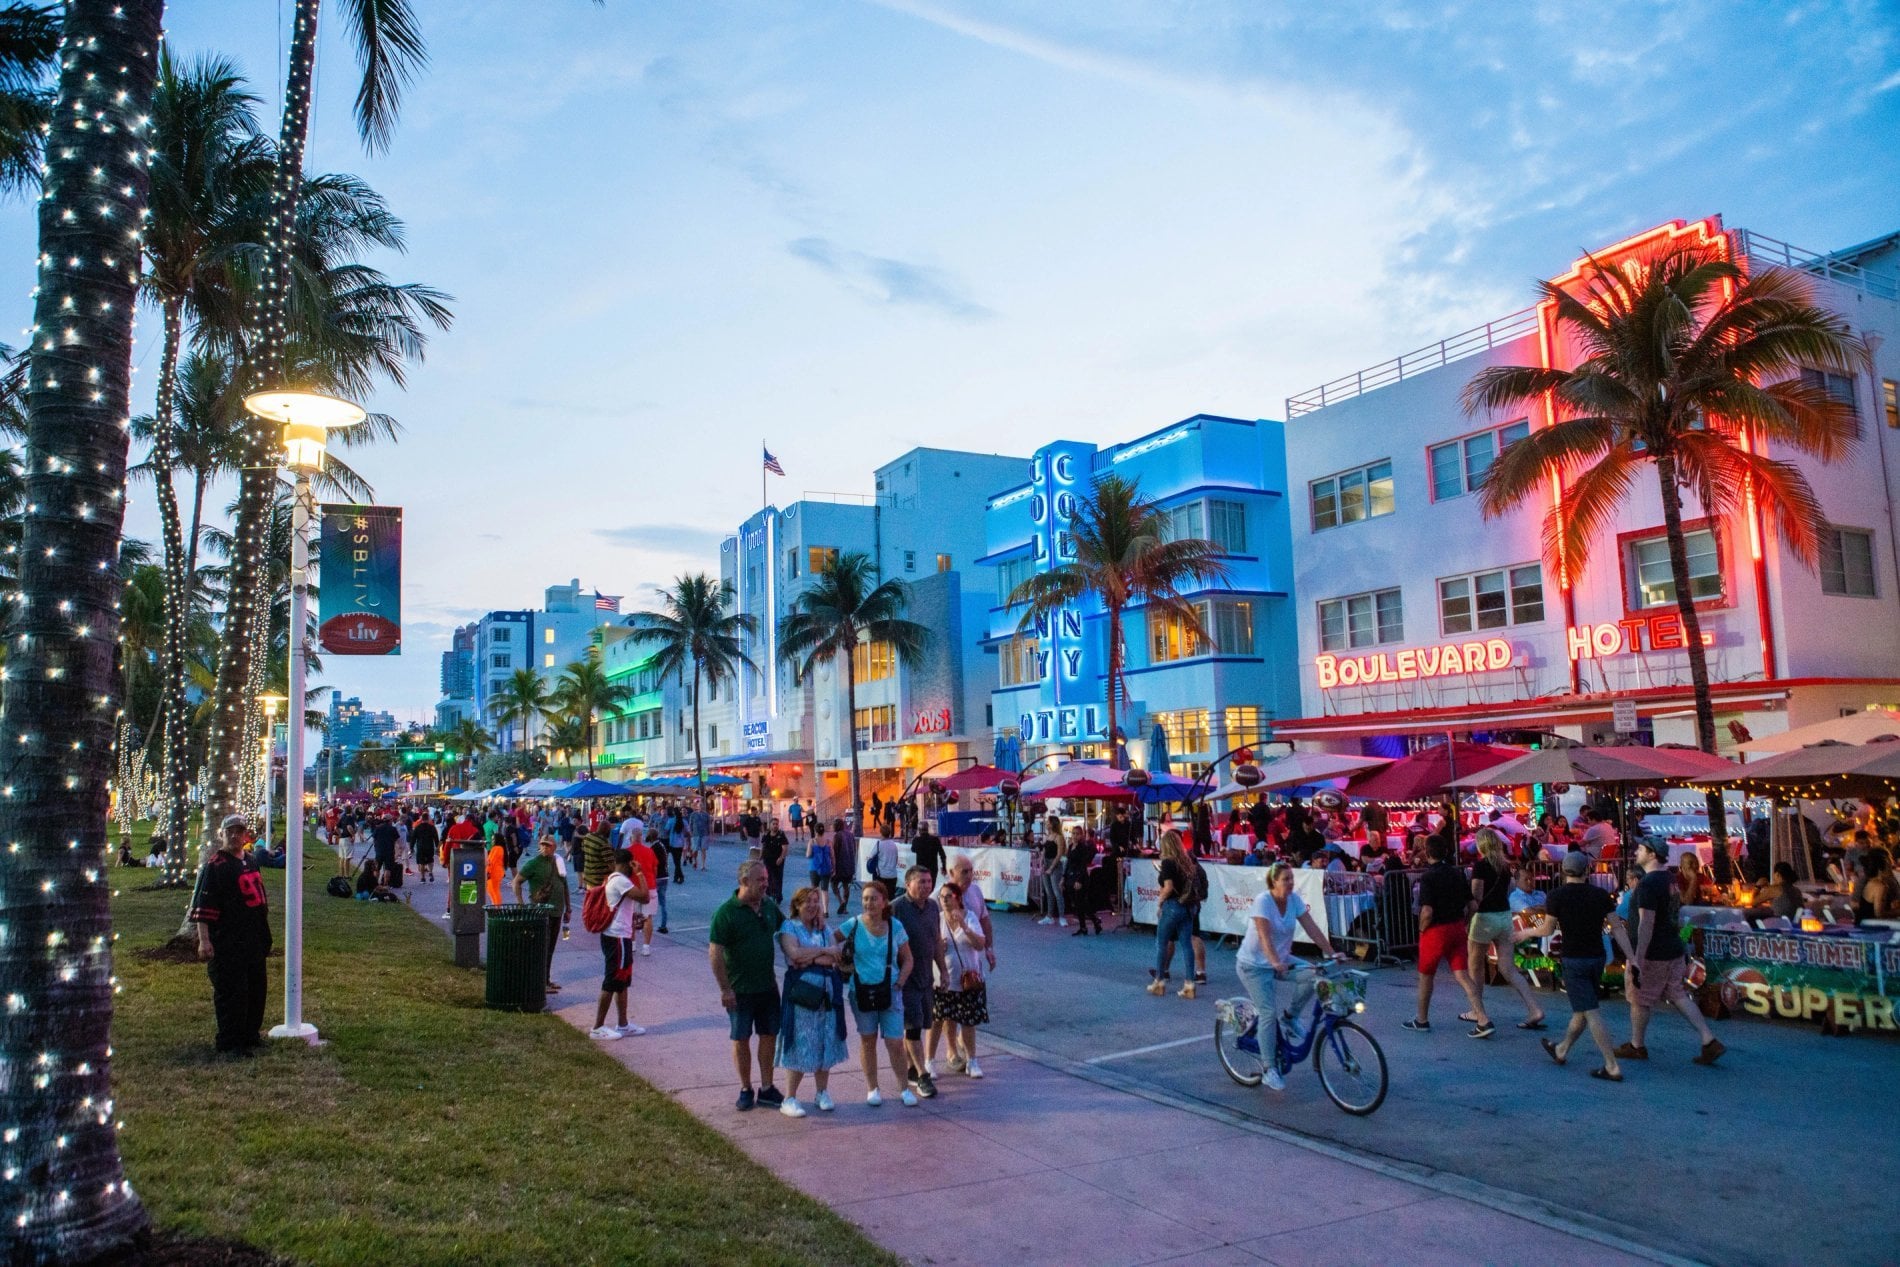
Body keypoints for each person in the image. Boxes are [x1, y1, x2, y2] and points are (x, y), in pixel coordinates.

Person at [1235, 861, 1344, 1091]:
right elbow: (1264, 937)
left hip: (1281, 960)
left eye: (1292, 878)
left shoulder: (1293, 900)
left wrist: (1332, 952)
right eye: (1285, 879)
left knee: (1315, 975)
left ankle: (1290, 1016)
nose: (1290, 883)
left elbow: (1312, 928)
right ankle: (1268, 1068)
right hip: (1253, 965)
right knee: (1267, 1012)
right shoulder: (1264, 902)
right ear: (1274, 881)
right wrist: (1274, 961)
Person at [1514, 851, 1622, 1081]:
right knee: (1582, 1010)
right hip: (1596, 956)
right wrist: (1632, 956)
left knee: (1591, 1012)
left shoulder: (1556, 896)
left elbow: (1546, 929)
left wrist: (1525, 932)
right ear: (1587, 870)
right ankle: (1561, 1049)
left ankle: (1611, 1064)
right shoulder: (1601, 895)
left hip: (1574, 957)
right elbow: (1617, 928)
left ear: (1563, 871)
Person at [1615, 839, 1724, 1066]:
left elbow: (1646, 924)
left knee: (1639, 998)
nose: (1636, 851)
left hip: (1654, 951)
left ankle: (1637, 1045)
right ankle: (1708, 1038)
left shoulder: (1648, 884)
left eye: (1641, 849)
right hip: (1673, 946)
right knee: (1677, 994)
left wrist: (1638, 959)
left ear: (1652, 854)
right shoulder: (1670, 879)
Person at [190, 815, 272, 1055]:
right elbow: (203, 907)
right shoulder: (215, 866)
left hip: (254, 940)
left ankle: (249, 1035)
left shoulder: (251, 860)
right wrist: (204, 941)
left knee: (256, 991)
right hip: (228, 942)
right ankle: (230, 1041)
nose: (235, 836)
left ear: (246, 834)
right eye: (230, 832)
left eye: (239, 831)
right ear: (222, 835)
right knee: (233, 994)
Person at [709, 860, 787, 1111]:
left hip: (767, 986)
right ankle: (746, 1088)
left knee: (768, 1036)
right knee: (741, 1038)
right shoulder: (726, 913)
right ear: (744, 882)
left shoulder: (769, 907)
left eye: (766, 879)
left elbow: (787, 929)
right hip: (739, 990)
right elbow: (715, 953)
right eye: (760, 880)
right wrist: (725, 989)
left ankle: (767, 1087)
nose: (766, 884)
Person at [837, 882, 916, 1106]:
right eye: (865, 899)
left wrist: (900, 982)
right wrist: (841, 964)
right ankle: (872, 1088)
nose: (869, 903)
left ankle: (903, 1087)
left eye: (874, 898)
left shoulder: (895, 926)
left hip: (890, 991)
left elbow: (908, 959)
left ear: (884, 901)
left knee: (895, 1043)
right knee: (868, 1040)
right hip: (861, 991)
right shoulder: (853, 924)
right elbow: (831, 940)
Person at [1402, 836, 1488, 1035]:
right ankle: (1483, 1018)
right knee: (1463, 975)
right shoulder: (1457, 873)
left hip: (1436, 931)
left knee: (1426, 976)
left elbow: (1427, 911)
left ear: (1428, 852)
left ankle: (1421, 1019)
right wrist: (1465, 922)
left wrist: (1422, 929)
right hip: (1457, 927)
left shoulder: (1428, 877)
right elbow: (1473, 904)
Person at [775, 885, 847, 1117]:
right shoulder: (789, 926)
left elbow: (835, 958)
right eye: (808, 901)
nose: (814, 905)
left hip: (827, 993)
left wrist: (812, 955)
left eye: (816, 901)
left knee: (824, 1040)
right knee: (800, 1040)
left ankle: (821, 1092)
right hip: (802, 993)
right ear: (797, 904)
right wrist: (821, 952)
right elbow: (794, 955)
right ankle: (790, 1097)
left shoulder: (824, 928)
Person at [1466, 829, 1546, 1034]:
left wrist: (1467, 918)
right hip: (1504, 916)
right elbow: (1507, 891)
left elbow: (1476, 895)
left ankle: (1478, 1012)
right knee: (1508, 968)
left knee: (1475, 966)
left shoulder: (1481, 866)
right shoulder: (1504, 866)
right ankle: (1534, 1009)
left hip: (1485, 918)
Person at [890, 866, 945, 1100]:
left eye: (929, 881)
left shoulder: (933, 907)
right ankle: (923, 1075)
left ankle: (911, 1069)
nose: (925, 886)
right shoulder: (896, 908)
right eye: (920, 882)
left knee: (921, 1024)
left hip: (926, 978)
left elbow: (935, 941)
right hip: (905, 980)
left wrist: (943, 970)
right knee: (911, 1027)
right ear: (908, 883)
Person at [932, 878, 990, 1080]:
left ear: (958, 899)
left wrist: (964, 926)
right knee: (940, 1019)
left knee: (968, 1021)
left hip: (968, 980)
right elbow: (927, 948)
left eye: (950, 896)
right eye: (942, 897)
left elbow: (980, 944)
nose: (946, 900)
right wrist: (938, 946)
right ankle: (932, 1061)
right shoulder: (937, 919)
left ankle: (972, 1060)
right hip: (943, 979)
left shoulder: (970, 917)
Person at [589, 849, 649, 1039]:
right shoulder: (620, 880)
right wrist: (640, 873)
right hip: (617, 937)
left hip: (618, 935)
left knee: (622, 981)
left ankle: (623, 1023)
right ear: (628, 863)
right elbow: (645, 897)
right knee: (612, 981)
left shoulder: (612, 879)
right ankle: (597, 1027)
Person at [515, 835, 571, 996]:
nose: (545, 848)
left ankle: (546, 980)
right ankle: (538, 981)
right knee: (541, 947)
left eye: (548, 845)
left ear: (554, 847)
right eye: (543, 845)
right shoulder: (533, 863)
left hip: (557, 911)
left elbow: (564, 884)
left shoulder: (558, 862)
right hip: (540, 912)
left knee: (550, 948)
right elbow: (516, 882)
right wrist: (521, 903)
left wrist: (568, 908)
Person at [1148, 830, 1199, 998]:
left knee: (1161, 943)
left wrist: (1160, 901)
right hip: (1187, 906)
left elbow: (1168, 886)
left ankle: (1159, 982)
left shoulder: (1168, 863)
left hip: (1172, 906)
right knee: (1186, 945)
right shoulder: (1187, 861)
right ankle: (1189, 984)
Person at [1063, 827, 1100, 936]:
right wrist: (1063, 877)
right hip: (1070, 877)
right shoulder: (1070, 847)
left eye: (1077, 834)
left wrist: (1079, 880)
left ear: (1081, 835)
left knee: (1081, 902)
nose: (1075, 836)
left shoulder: (1083, 848)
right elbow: (1068, 863)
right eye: (1073, 833)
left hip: (1080, 877)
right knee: (1078, 903)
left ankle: (1088, 924)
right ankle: (1089, 923)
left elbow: (1083, 865)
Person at [1037, 824, 1066, 927]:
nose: (1047, 824)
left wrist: (1051, 867)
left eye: (1048, 822)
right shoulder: (1047, 836)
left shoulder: (1059, 837)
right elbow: (1044, 851)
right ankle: (1049, 916)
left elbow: (1059, 854)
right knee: (1048, 892)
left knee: (1057, 892)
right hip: (1046, 863)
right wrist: (1041, 862)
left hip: (1055, 864)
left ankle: (1062, 916)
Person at [830, 818, 857, 915]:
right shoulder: (850, 834)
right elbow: (854, 849)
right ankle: (845, 907)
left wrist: (832, 865)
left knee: (833, 884)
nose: (832, 827)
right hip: (849, 865)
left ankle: (841, 901)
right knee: (846, 885)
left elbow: (835, 851)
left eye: (833, 825)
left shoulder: (837, 836)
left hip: (839, 865)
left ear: (837, 826)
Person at [760, 818, 788, 901]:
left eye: (777, 824)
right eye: (774, 824)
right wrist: (760, 856)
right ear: (770, 825)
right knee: (768, 878)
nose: (775, 826)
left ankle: (778, 896)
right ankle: (769, 894)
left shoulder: (781, 835)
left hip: (777, 861)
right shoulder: (766, 835)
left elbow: (785, 848)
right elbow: (763, 846)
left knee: (777, 878)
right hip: (767, 860)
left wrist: (781, 858)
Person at [806, 817, 833, 897]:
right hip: (826, 868)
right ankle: (825, 909)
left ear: (815, 831)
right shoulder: (828, 842)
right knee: (825, 891)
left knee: (814, 889)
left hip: (814, 868)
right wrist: (833, 868)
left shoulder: (812, 841)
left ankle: (814, 904)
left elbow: (808, 855)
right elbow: (832, 856)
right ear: (823, 831)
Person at [410, 812, 439, 883]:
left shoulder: (418, 827)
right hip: (429, 846)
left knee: (421, 863)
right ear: (428, 818)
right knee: (430, 860)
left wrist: (411, 847)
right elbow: (436, 838)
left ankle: (423, 878)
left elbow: (413, 838)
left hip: (420, 847)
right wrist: (437, 846)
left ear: (421, 819)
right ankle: (430, 872)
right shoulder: (432, 827)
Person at [690, 799, 713, 871]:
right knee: (695, 850)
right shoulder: (693, 814)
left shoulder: (706, 815)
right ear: (697, 806)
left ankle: (703, 865)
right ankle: (695, 861)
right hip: (695, 834)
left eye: (702, 805)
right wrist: (691, 833)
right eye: (700, 805)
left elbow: (709, 824)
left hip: (704, 834)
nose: (701, 807)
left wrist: (711, 834)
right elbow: (690, 824)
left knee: (703, 849)